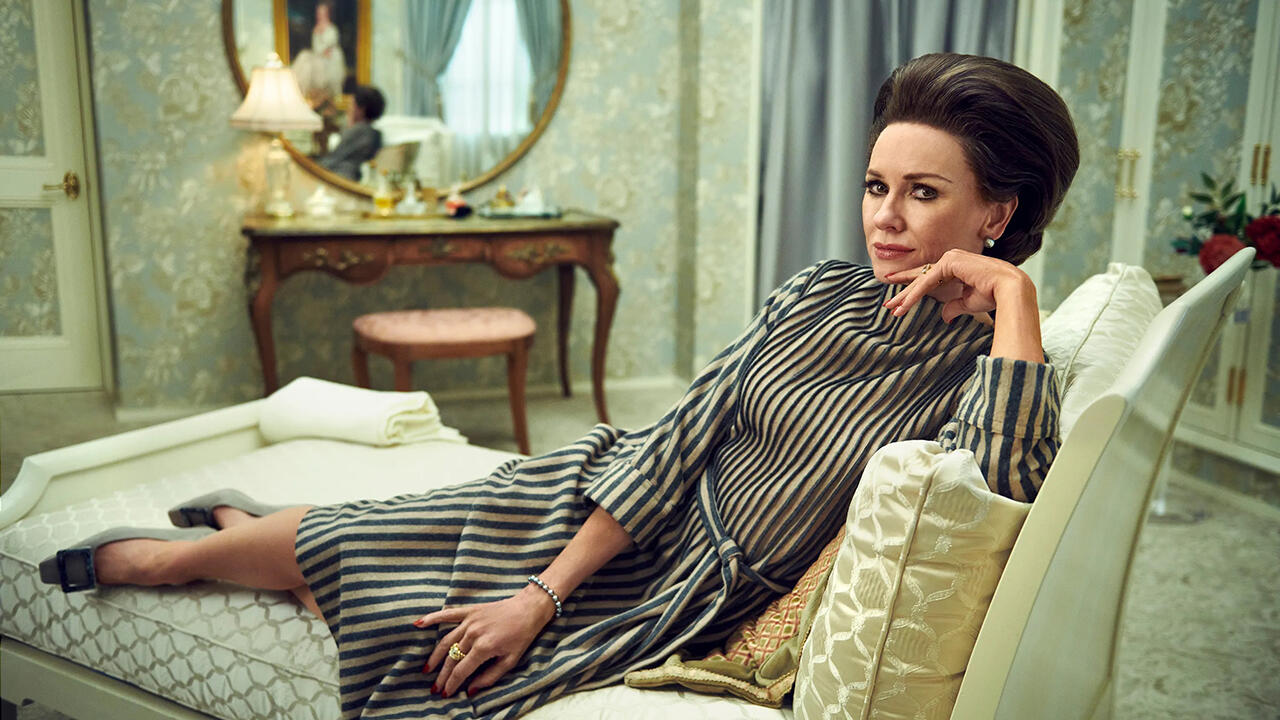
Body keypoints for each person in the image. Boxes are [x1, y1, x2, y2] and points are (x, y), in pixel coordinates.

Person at [41, 53, 1079, 719]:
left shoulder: (989, 368)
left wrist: (1013, 302)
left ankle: (252, 537)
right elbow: (680, 438)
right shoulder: (818, 290)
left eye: (922, 193)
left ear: (996, 213)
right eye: (874, 185)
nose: (884, 217)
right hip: (617, 501)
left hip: (687, 586)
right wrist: (541, 594)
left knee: (425, 643)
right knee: (378, 538)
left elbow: (993, 494)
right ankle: (173, 561)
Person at [320, 84, 385, 182]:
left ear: (361, 109)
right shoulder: (374, 134)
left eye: (351, 104)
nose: (348, 109)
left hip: (341, 178)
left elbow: (331, 161)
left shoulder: (359, 131)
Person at [291, 0, 346, 101]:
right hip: (319, 57)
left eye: (322, 13)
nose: (319, 16)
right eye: (318, 13)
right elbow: (316, 48)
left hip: (330, 60)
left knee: (308, 61)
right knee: (304, 57)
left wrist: (323, 49)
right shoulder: (316, 29)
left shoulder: (332, 29)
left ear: (327, 14)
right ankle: (296, 88)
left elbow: (326, 48)